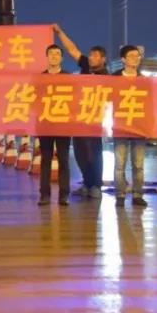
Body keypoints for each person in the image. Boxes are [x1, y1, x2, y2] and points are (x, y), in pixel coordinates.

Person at [52, 25, 105, 200]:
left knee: (94, 153)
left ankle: (96, 185)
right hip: (79, 117)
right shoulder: (85, 66)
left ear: (103, 59)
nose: (91, 58)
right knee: (80, 153)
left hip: (95, 119)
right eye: (90, 55)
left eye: (95, 55)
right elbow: (72, 50)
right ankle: (86, 183)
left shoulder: (107, 76)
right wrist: (60, 33)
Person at [113, 44, 148, 208]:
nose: (135, 59)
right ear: (123, 59)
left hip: (139, 126)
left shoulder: (144, 80)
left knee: (138, 165)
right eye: (131, 56)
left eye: (137, 56)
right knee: (120, 164)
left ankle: (137, 195)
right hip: (120, 126)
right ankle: (120, 195)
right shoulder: (114, 78)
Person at [37, 42, 71, 206]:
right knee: (46, 160)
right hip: (45, 124)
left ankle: (64, 195)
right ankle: (44, 195)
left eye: (57, 54)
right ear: (47, 57)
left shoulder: (68, 78)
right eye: (51, 54)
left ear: (62, 58)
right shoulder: (39, 79)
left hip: (63, 125)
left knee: (63, 159)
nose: (54, 56)